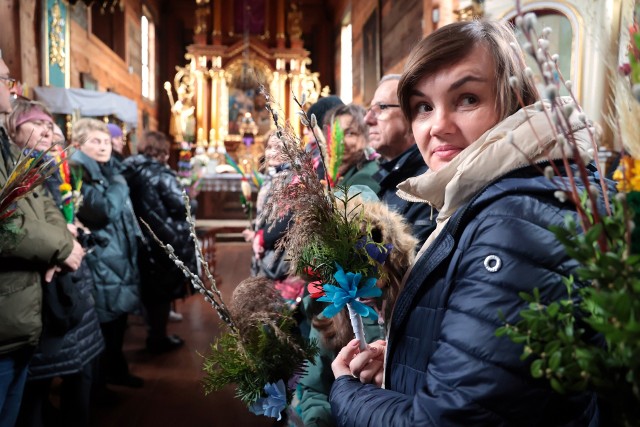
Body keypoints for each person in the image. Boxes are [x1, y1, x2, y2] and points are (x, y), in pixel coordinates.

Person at [329, 20, 602, 426]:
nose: (437, 125)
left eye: (467, 98)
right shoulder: (491, 196)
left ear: (513, 100)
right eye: (423, 106)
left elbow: (447, 421)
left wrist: (345, 391)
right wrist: (408, 361)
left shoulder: (512, 222)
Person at [7, 99, 104, 427]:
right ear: (13, 130)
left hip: (69, 278)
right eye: (38, 124)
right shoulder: (21, 169)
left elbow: (56, 215)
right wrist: (61, 244)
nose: (48, 131)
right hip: (44, 286)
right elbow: (17, 225)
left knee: (76, 374)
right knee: (36, 385)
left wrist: (67, 236)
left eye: (50, 126)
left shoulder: (52, 166)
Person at [0, 55, 84, 427]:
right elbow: (5, 224)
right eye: (5, 80)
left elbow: (45, 205)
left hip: (20, 309)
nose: (12, 88)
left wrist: (60, 243)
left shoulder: (8, 148)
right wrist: (63, 246)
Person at [69, 118, 142, 389]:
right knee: (104, 324)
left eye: (105, 140)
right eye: (95, 141)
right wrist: (120, 183)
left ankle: (115, 372)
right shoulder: (80, 173)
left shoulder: (107, 170)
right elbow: (104, 211)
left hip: (116, 254)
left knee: (116, 322)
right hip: (102, 257)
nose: (104, 146)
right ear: (78, 145)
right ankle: (100, 385)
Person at [122, 130, 197, 354]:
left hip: (142, 236)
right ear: (161, 151)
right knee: (162, 292)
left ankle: (154, 334)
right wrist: (191, 199)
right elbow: (182, 205)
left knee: (151, 290)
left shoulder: (131, 170)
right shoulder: (159, 173)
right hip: (164, 238)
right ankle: (158, 338)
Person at [366, 74, 436, 247]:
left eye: (381, 107)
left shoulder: (426, 183)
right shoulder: (391, 174)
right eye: (369, 110)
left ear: (412, 114)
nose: (367, 119)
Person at [326, 104, 380, 193]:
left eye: (350, 133)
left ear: (367, 135)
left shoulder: (364, 178)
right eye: (336, 133)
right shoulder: (345, 170)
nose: (340, 141)